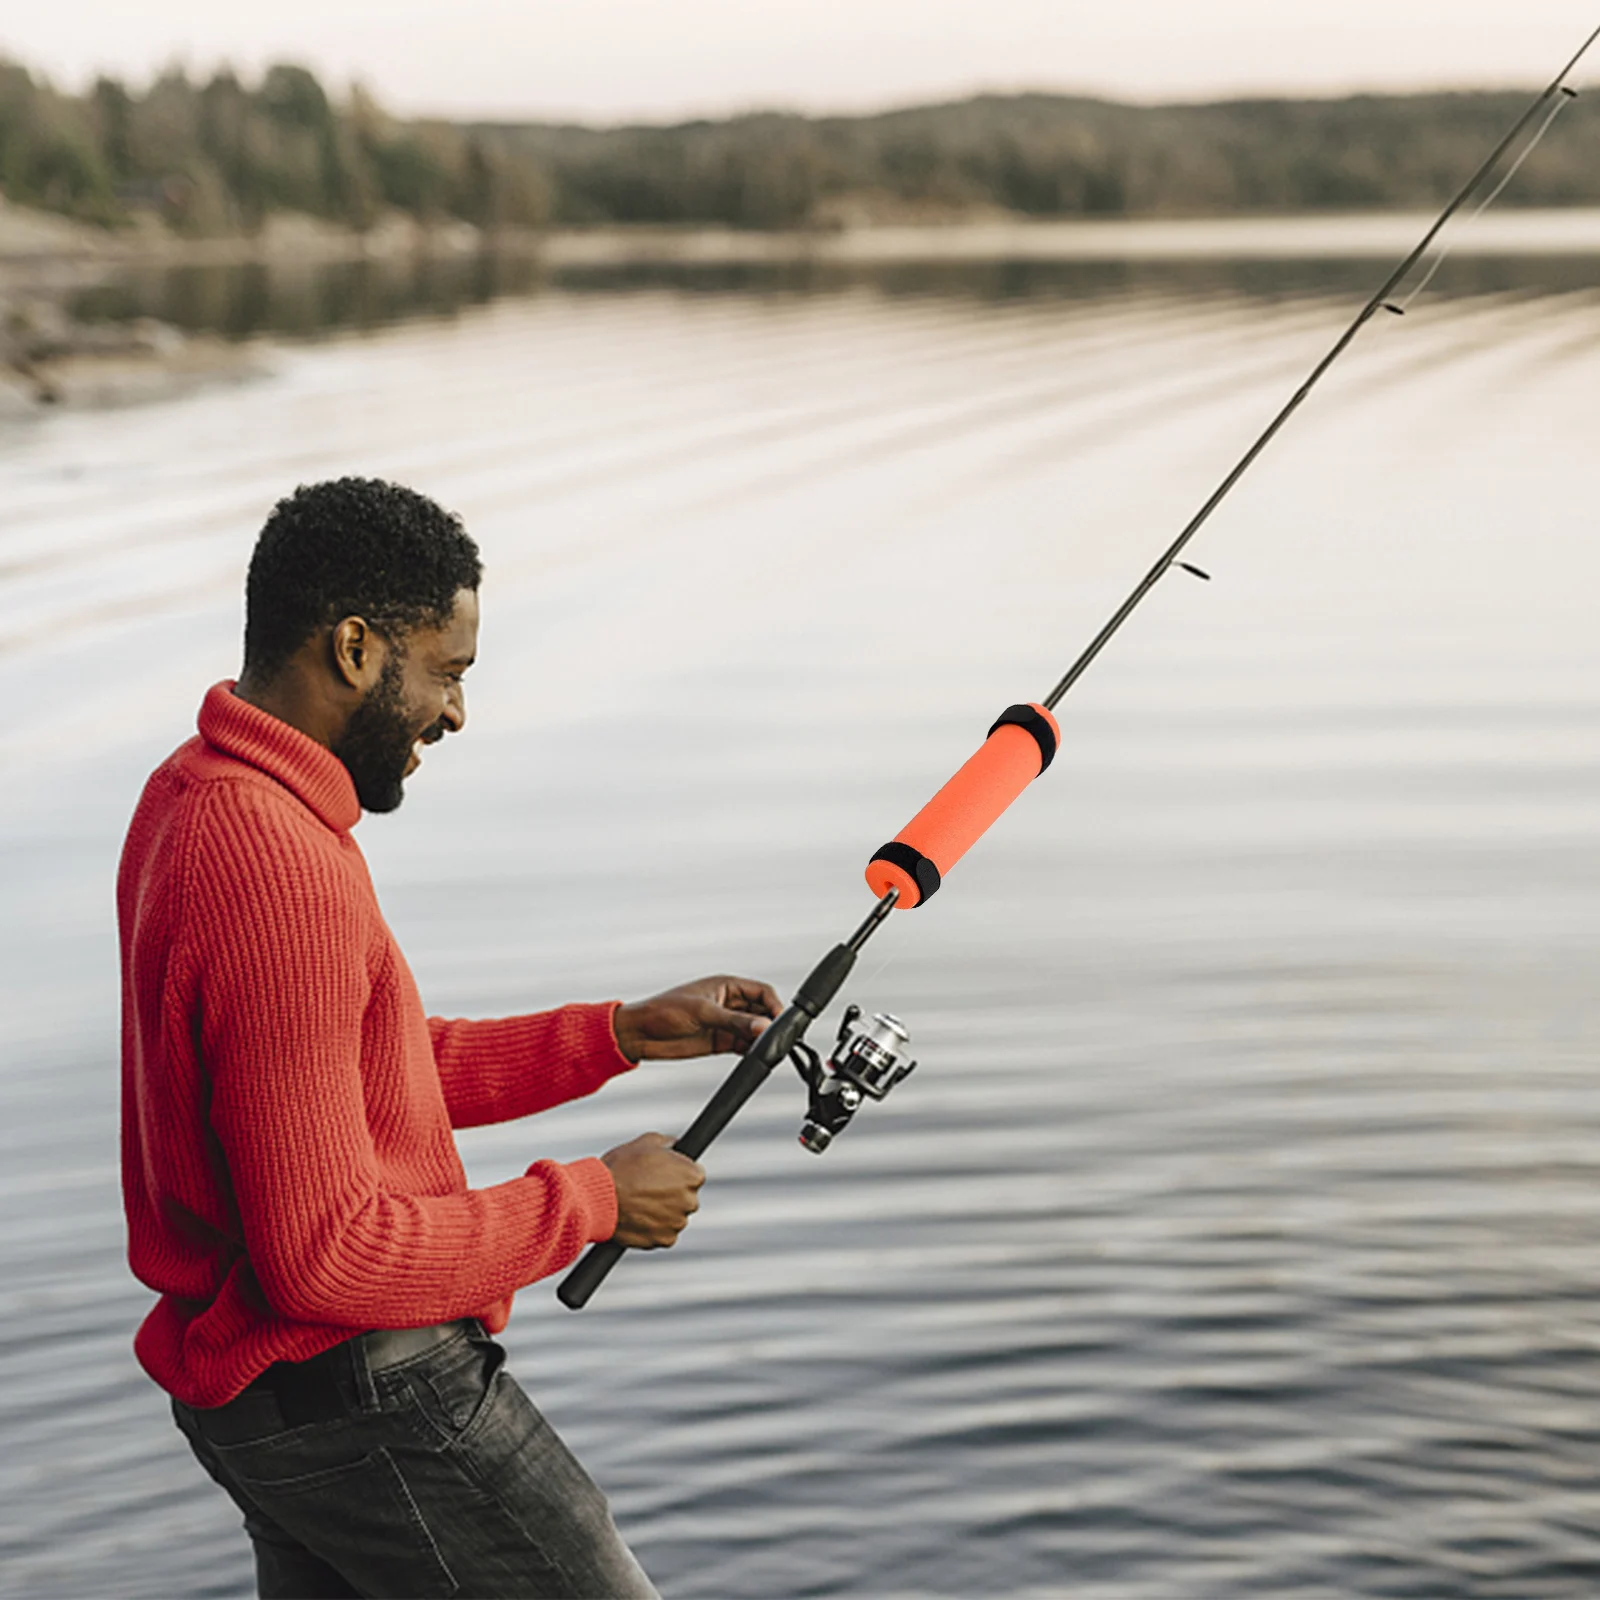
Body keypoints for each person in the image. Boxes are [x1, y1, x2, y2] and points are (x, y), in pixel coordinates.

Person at [118, 477, 781, 1599]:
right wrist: (593, 1202)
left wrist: (615, 1033)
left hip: (268, 1412)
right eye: (450, 670)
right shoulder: (276, 861)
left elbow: (347, 1077)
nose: (458, 713)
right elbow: (323, 1250)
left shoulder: (197, 794)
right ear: (356, 647)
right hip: (371, 1404)